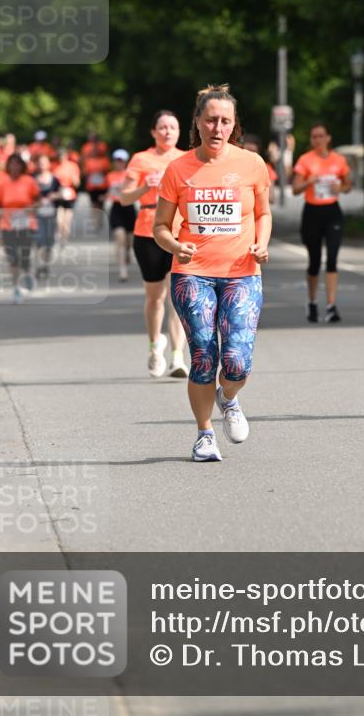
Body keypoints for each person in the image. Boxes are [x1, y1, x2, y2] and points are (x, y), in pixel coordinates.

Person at [154, 85, 271, 463]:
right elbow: (160, 226)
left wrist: (262, 243)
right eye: (210, 120)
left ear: (234, 125)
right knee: (204, 354)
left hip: (242, 273)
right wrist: (175, 245)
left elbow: (263, 214)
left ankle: (229, 398)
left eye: (225, 121)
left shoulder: (252, 164)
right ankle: (204, 434)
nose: (217, 128)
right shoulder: (179, 168)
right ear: (198, 123)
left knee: (237, 361)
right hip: (193, 274)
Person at [119, 112, 189, 379]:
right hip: (147, 231)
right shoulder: (141, 159)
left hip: (179, 231)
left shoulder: (186, 159)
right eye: (162, 127)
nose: (168, 132)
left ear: (179, 131)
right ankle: (154, 348)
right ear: (153, 132)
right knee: (155, 297)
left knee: (177, 297)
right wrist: (143, 188)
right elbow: (124, 198)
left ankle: (177, 357)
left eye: (173, 127)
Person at [292, 123, 352, 323]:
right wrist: (309, 181)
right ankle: (312, 302)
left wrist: (341, 188)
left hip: (332, 211)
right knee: (314, 262)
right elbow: (295, 189)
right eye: (314, 136)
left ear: (328, 138)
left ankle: (331, 306)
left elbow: (348, 184)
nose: (317, 140)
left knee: (333, 259)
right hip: (312, 212)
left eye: (320, 136)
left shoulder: (339, 160)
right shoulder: (305, 160)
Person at [0, 154, 40, 303]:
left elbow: (38, 200)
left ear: (22, 166)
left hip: (26, 223)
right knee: (13, 257)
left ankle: (27, 274)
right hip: (8, 224)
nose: (15, 167)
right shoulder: (2, 183)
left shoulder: (29, 181)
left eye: (17, 164)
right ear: (8, 166)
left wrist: (31, 208)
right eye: (12, 164)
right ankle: (16, 288)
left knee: (24, 255)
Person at [106, 149, 135, 281]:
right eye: (117, 160)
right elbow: (107, 192)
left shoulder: (131, 175)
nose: (119, 163)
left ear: (125, 161)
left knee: (129, 241)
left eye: (121, 160)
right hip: (116, 208)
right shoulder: (110, 176)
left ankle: (128, 252)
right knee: (119, 238)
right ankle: (122, 271)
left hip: (129, 207)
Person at [34, 154, 60, 277]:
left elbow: (61, 194)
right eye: (40, 163)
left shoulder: (54, 179)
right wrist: (36, 202)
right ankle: (39, 265)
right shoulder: (32, 179)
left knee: (49, 241)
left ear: (49, 164)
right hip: (36, 214)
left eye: (44, 162)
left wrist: (54, 196)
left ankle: (46, 265)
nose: (42, 165)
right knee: (39, 240)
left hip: (51, 213)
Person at [53, 148, 81, 246]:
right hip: (60, 195)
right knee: (59, 219)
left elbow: (77, 183)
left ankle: (64, 238)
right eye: (59, 156)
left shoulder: (73, 166)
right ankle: (59, 235)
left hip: (70, 194)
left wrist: (73, 179)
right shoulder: (56, 167)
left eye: (62, 156)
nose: (61, 158)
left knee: (67, 219)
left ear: (66, 156)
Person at [242, 133, 277, 204]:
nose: (250, 155)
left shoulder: (266, 169)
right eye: (247, 151)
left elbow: (271, 198)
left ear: (259, 152)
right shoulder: (234, 166)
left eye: (253, 152)